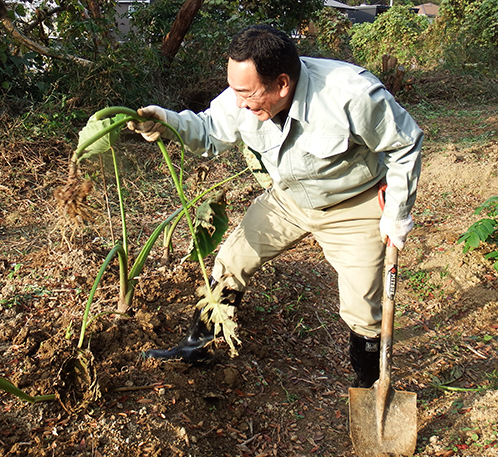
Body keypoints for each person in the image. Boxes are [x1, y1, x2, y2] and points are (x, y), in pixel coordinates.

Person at [128, 24, 422, 388]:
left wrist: (396, 213)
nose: (238, 102)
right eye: (234, 89)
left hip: (352, 205)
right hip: (288, 199)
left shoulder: (351, 94)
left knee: (363, 309)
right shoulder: (243, 95)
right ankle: (195, 347)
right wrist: (167, 122)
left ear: (282, 84)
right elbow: (207, 131)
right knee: (230, 263)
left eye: (246, 93)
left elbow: (405, 144)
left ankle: (368, 385)